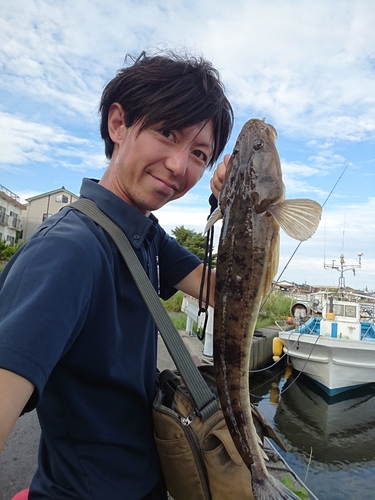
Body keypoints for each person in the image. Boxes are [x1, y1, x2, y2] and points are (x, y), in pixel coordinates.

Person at [0, 51, 233, 499]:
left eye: (199, 154)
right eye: (168, 133)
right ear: (119, 124)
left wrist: (243, 205)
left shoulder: (144, 233)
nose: (179, 166)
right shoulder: (67, 251)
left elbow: (225, 296)